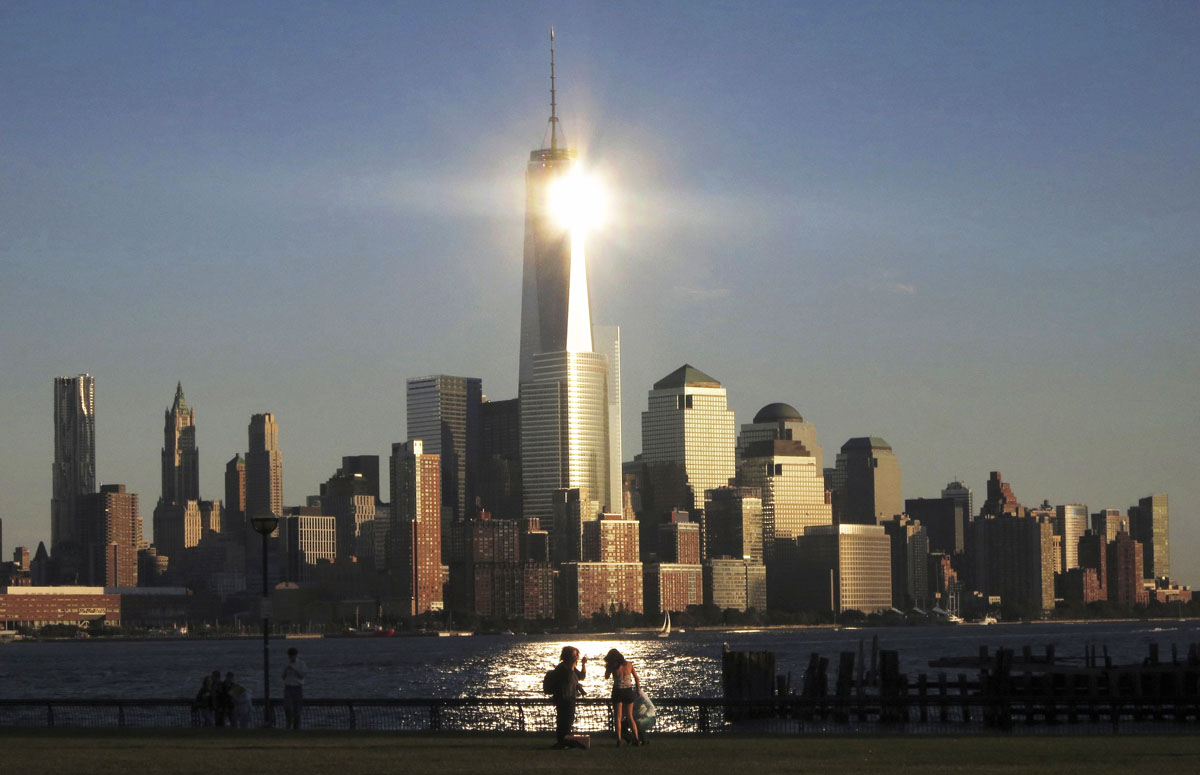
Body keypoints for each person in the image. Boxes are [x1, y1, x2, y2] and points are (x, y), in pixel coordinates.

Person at [549, 646, 590, 750]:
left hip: (571, 697)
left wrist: (583, 664)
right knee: (564, 720)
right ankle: (563, 741)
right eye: (574, 655)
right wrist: (572, 665)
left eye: (577, 655)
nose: (576, 657)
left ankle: (565, 741)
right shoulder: (562, 668)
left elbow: (581, 676)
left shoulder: (571, 667)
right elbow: (567, 678)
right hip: (563, 698)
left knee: (568, 720)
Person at [603, 648, 642, 746]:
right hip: (628, 691)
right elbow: (637, 678)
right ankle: (636, 739)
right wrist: (638, 690)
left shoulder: (613, 666)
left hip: (617, 691)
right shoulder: (629, 664)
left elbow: (606, 677)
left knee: (618, 717)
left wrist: (608, 668)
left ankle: (619, 740)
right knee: (630, 717)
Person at [282, 646, 307, 729]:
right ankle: (288, 724)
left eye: (292, 655)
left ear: (296, 655)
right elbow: (283, 676)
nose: (291, 657)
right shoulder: (286, 664)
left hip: (297, 687)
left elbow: (302, 676)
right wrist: (286, 670)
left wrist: (294, 669)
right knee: (287, 707)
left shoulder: (301, 664)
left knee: (297, 709)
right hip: (288, 687)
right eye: (290, 656)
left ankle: (297, 727)